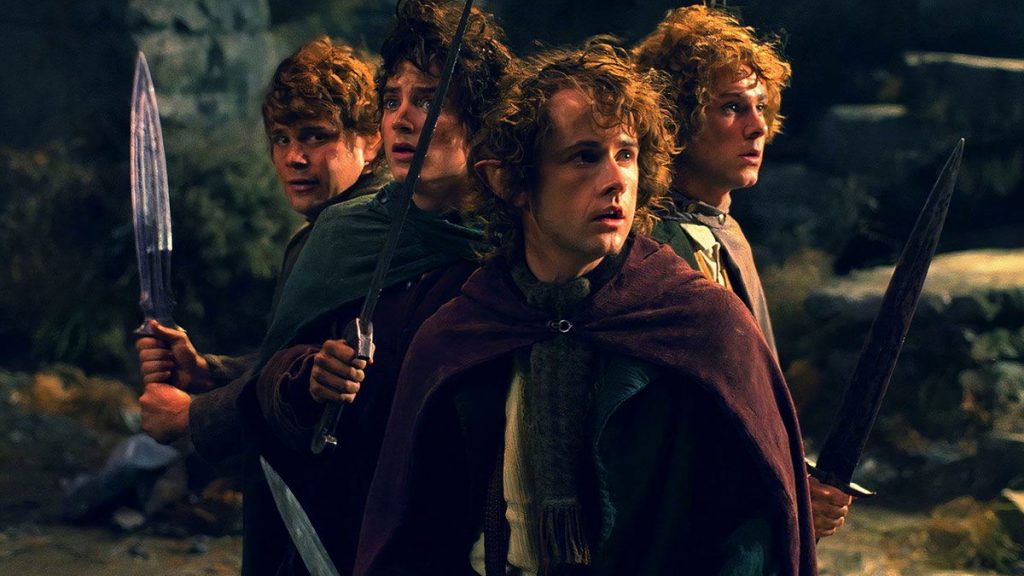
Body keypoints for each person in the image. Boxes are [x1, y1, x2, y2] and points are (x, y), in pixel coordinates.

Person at [356, 40, 816, 576]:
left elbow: (750, 537)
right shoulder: (462, 333)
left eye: (627, 154)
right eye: (584, 156)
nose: (616, 179)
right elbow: (415, 534)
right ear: (510, 180)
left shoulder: (699, 325)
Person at [238, 1, 514, 574]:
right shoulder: (344, 233)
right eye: (392, 100)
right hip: (342, 525)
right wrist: (308, 377)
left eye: (428, 99)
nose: (403, 119)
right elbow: (275, 378)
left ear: (481, 121)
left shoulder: (515, 248)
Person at [633, 4, 853, 539]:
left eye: (760, 106)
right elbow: (693, 426)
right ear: (676, 118)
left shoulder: (722, 228)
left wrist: (796, 482)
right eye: (732, 107)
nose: (758, 126)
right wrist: (781, 496)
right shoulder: (658, 247)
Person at [134, 37, 383, 464]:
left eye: (316, 137)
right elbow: (291, 357)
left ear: (371, 141)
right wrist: (209, 373)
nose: (294, 158)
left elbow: (316, 388)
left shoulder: (358, 232)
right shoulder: (317, 232)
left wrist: (192, 415)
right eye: (281, 139)